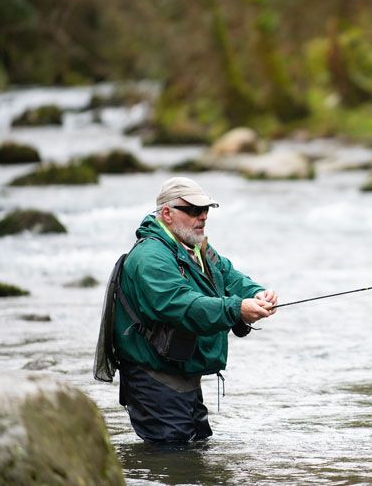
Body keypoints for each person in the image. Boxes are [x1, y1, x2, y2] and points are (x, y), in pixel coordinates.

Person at [113, 176, 277, 444]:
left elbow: (227, 275)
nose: (202, 217)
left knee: (197, 451)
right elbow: (182, 305)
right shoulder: (150, 258)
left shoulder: (197, 246)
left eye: (205, 210)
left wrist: (255, 293)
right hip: (155, 379)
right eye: (192, 210)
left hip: (182, 373)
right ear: (167, 213)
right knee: (172, 461)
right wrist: (237, 309)